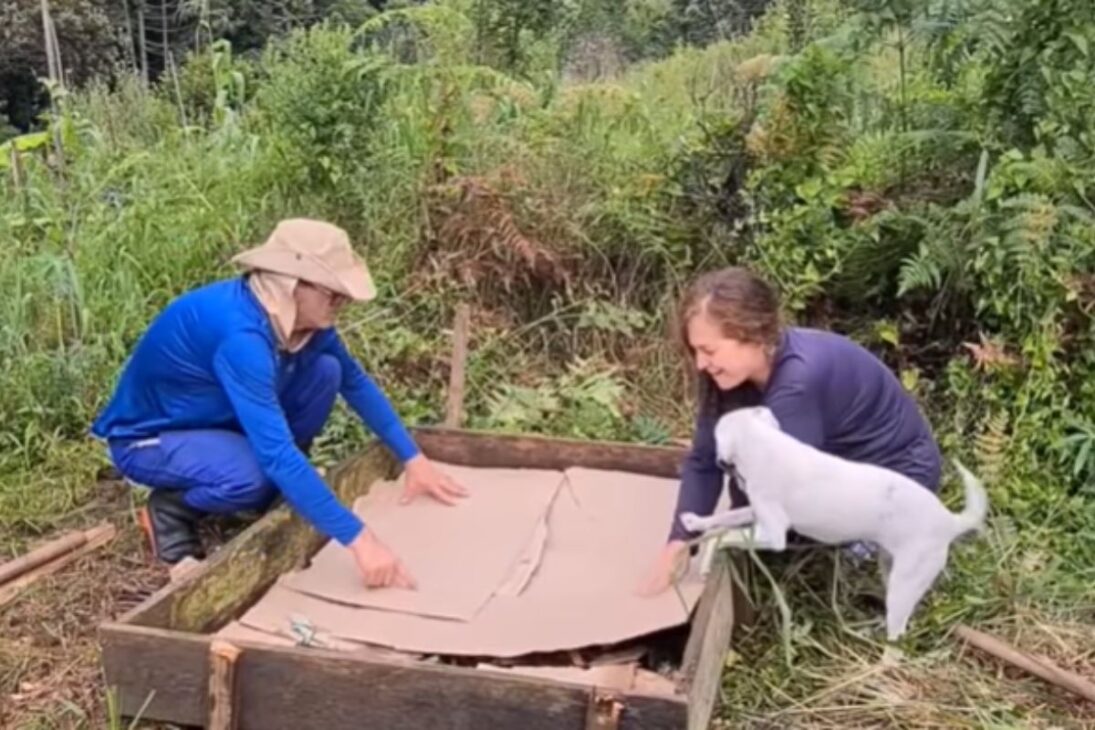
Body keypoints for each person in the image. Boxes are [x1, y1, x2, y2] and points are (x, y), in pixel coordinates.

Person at [91, 218, 468, 588]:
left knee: (327, 371)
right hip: (152, 439)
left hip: (217, 417)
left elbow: (355, 383)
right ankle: (171, 511)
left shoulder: (298, 324)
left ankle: (280, 487)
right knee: (254, 474)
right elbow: (275, 454)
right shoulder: (241, 337)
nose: (342, 303)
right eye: (332, 293)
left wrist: (413, 459)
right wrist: (362, 541)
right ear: (291, 285)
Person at [638, 266, 942, 595]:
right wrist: (678, 542)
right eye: (696, 350)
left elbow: (775, 489)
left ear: (752, 333)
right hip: (840, 470)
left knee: (839, 583)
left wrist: (727, 537)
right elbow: (703, 459)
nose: (700, 363)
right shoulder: (726, 373)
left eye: (709, 351)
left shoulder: (799, 382)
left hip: (898, 478)